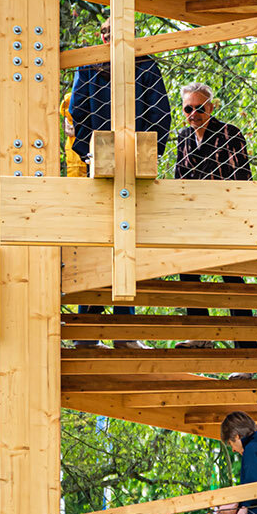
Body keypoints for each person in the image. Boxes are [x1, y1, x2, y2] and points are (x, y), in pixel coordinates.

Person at [68, 18, 171, 347]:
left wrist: (150, 155)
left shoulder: (138, 65)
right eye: (109, 33)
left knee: (122, 245)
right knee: (107, 244)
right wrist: (88, 155)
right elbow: (78, 113)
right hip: (110, 162)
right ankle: (94, 330)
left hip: (129, 162)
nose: (112, 39)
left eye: (118, 33)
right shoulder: (94, 66)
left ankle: (114, 332)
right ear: (102, 35)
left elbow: (161, 115)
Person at [174, 82, 256, 350]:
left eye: (199, 107)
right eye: (188, 108)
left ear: (211, 107)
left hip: (226, 219)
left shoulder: (230, 133)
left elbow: (242, 175)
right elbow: (179, 178)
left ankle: (247, 351)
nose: (193, 113)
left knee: (232, 282)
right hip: (194, 220)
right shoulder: (183, 137)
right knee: (187, 273)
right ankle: (200, 334)